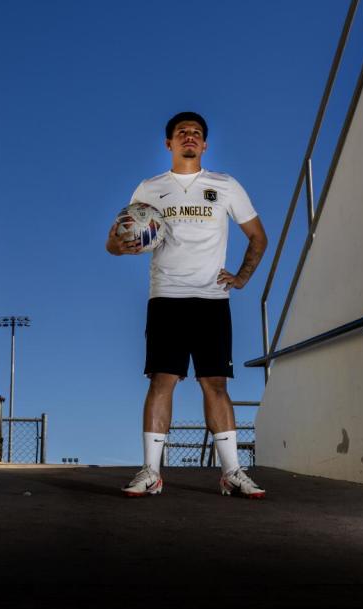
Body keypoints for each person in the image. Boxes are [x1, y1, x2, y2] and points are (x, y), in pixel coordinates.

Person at [106, 111, 268, 498]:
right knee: (162, 381)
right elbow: (115, 239)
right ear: (169, 144)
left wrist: (242, 277)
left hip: (211, 299)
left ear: (205, 144)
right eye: (182, 133)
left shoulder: (224, 185)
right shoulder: (150, 188)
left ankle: (231, 473)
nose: (190, 137)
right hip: (166, 297)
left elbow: (258, 237)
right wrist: (121, 246)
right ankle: (150, 472)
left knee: (215, 384)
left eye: (196, 133)